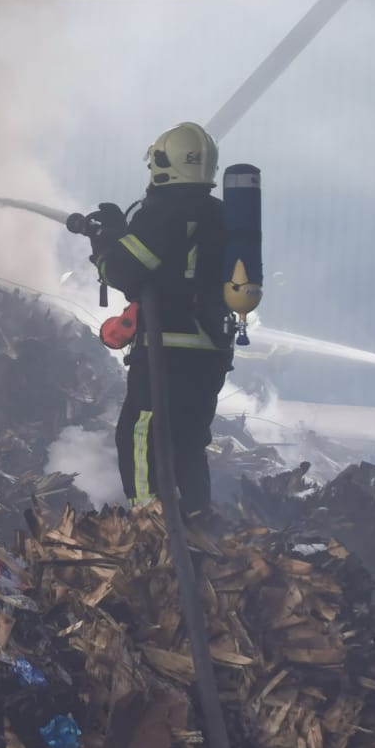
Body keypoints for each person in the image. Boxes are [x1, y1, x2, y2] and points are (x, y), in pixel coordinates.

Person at [88, 122, 234, 516]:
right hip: (212, 351)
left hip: (168, 349)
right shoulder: (221, 214)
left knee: (137, 433)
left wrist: (105, 242)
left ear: (162, 161)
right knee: (187, 440)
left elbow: (124, 271)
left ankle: (148, 521)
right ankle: (196, 523)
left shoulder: (164, 211)